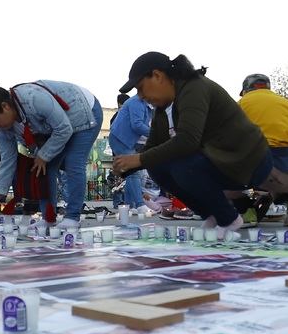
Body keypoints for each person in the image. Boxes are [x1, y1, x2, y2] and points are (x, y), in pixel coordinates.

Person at [111, 52, 272, 232]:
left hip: (249, 160)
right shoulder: (162, 108)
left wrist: (138, 159)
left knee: (182, 165)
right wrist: (126, 167)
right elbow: (152, 148)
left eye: (141, 88)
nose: (141, 96)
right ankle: (212, 215)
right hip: (220, 160)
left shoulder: (194, 87)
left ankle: (229, 219)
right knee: (157, 166)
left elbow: (187, 141)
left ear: (157, 76)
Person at [0, 78, 103, 228]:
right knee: (44, 169)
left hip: (84, 111)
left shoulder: (33, 99)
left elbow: (63, 129)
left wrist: (43, 155)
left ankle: (73, 217)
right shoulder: (2, 129)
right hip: (59, 127)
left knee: (73, 163)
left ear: (5, 106)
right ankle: (49, 217)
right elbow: (8, 161)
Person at [236, 73, 288, 226]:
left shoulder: (242, 103)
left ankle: (245, 210)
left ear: (245, 91)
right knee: (277, 157)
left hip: (272, 169)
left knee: (225, 168)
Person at [107, 92, 153, 211]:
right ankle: (140, 205)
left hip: (128, 140)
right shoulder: (137, 102)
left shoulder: (147, 105)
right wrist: (155, 135)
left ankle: (129, 205)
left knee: (131, 173)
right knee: (134, 172)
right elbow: (137, 125)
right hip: (120, 139)